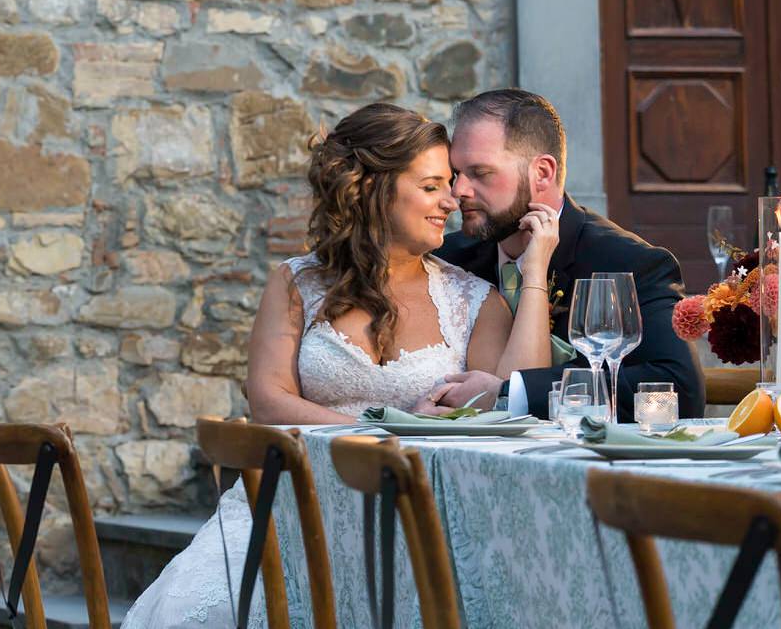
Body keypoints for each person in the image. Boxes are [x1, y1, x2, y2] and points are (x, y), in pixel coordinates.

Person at [122, 102, 558, 629]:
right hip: (288, 500)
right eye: (432, 186)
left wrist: (536, 271)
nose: (452, 200)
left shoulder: (474, 300)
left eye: (453, 184)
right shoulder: (296, 282)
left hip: (408, 514)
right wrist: (379, 434)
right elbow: (268, 398)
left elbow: (515, 402)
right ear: (373, 189)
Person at [418, 87, 704, 419]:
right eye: (457, 174)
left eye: (480, 173)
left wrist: (511, 394)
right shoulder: (450, 259)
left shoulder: (628, 262)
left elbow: (679, 389)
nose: (458, 192)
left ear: (542, 173)